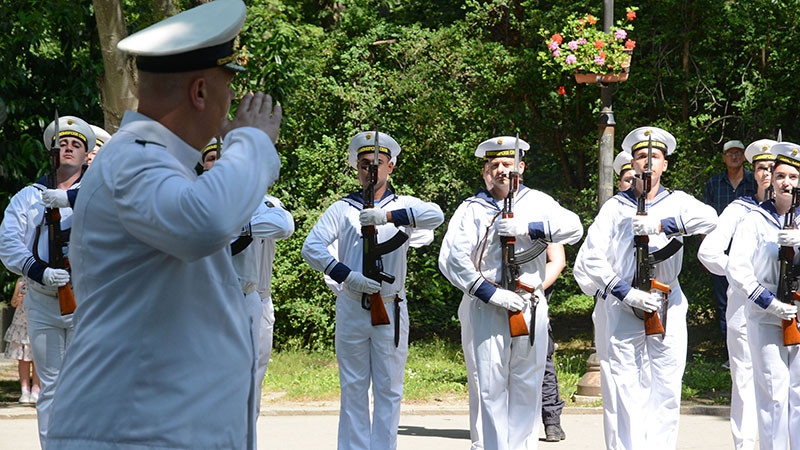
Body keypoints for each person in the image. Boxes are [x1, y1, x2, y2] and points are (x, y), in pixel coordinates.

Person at [45, 0, 283, 448]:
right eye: (227, 86)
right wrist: (252, 141)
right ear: (199, 92)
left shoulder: (160, 165)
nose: (232, 102)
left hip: (154, 427)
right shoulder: (134, 160)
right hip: (133, 431)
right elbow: (206, 221)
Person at [574, 126, 717, 449]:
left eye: (654, 156)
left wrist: (662, 224)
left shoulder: (678, 202)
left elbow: (709, 219)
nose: (648, 163)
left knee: (666, 387)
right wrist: (624, 292)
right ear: (633, 164)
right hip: (624, 303)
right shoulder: (614, 208)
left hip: (667, 300)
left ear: (665, 164)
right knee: (625, 389)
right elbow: (592, 260)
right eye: (641, 157)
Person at [302, 130, 444, 450]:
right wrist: (347, 276)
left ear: (390, 166)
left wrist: (386, 216)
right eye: (365, 164)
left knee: (389, 390)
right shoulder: (342, 209)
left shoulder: (405, 205)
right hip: (352, 303)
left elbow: (435, 216)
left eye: (378, 163)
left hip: (390, 306)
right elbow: (311, 249)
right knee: (353, 388)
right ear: (357, 169)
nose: (371, 170)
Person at [440, 135, 583, 450]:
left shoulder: (539, 202)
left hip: (528, 303)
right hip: (487, 306)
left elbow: (573, 227)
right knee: (489, 387)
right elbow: (452, 260)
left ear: (521, 167)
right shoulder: (471, 209)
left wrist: (528, 228)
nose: (502, 170)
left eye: (508, 164)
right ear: (485, 172)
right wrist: (490, 293)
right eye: (495, 165)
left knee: (527, 385)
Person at [0, 114, 93, 446]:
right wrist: (38, 271)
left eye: (76, 145)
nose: (68, 148)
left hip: (87, 302)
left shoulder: (99, 195)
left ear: (87, 155)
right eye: (62, 144)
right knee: (50, 386)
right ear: (52, 154)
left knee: (86, 383)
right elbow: (8, 243)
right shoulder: (29, 196)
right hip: (42, 301)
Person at [201, 139, 295, 423]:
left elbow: (284, 225)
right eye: (210, 158)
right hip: (205, 303)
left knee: (250, 384)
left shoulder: (257, 203)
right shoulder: (195, 199)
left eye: (223, 157)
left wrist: (237, 225)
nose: (216, 163)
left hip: (247, 298)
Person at [698, 138, 776, 450]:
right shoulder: (739, 209)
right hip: (744, 306)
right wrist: (742, 274)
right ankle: (744, 444)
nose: (768, 175)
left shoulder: (793, 212)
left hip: (784, 305)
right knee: (744, 379)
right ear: (752, 173)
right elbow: (708, 251)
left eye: (774, 169)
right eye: (762, 169)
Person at [726, 141, 800, 450]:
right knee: (772, 393)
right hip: (767, 313)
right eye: (781, 176)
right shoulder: (754, 219)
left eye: (793, 177)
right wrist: (769, 303)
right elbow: (737, 268)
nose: (786, 183)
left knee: (798, 394)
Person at [704, 139, 756, 347]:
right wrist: (708, 252)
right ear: (724, 157)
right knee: (724, 303)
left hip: (751, 253)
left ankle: (753, 348)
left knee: (753, 299)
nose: (734, 157)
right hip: (721, 255)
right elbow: (706, 221)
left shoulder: (755, 182)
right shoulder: (713, 183)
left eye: (738, 153)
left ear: (744, 157)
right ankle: (730, 351)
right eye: (730, 153)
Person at [541, 244, 567, 443]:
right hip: (494, 294)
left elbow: (558, 261)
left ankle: (552, 423)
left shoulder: (544, 213)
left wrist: (530, 289)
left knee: (543, 362)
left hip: (533, 297)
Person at [3, 277, 40, 405]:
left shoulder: (41, 280)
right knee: (23, 359)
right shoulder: (21, 281)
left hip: (37, 322)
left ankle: (36, 390)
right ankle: (25, 391)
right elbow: (13, 302)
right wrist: (18, 299)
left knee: (37, 359)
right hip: (21, 324)